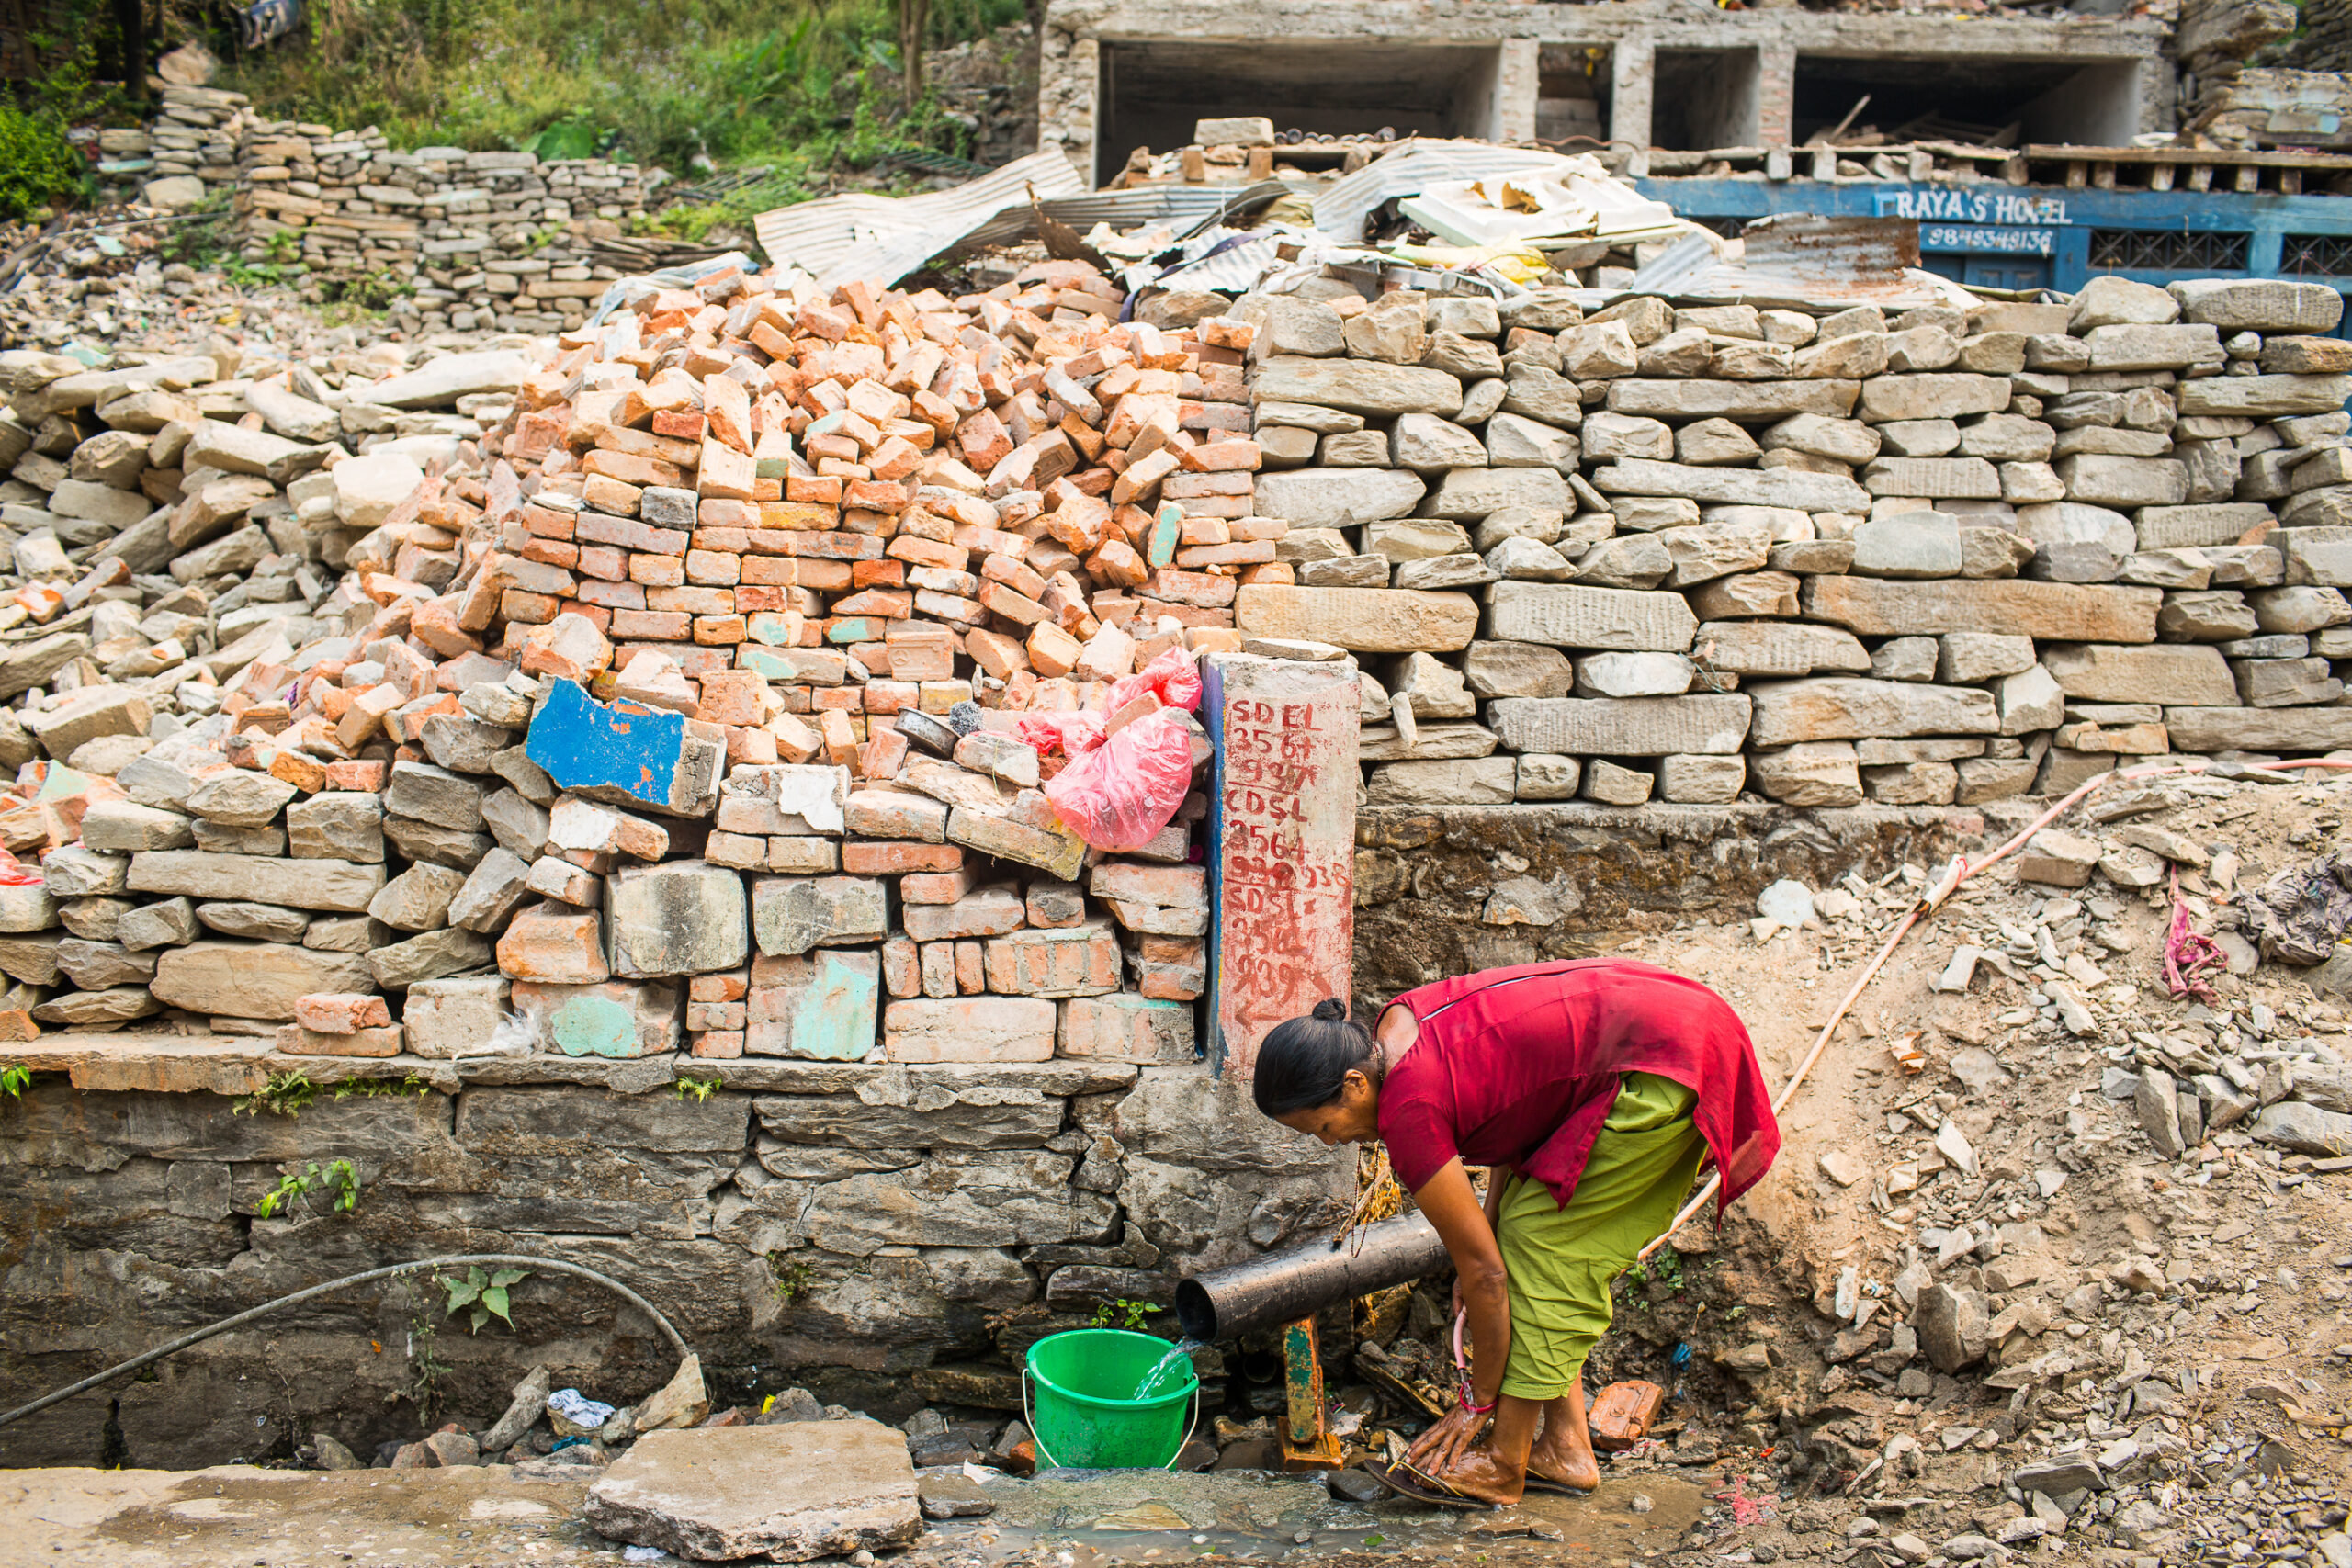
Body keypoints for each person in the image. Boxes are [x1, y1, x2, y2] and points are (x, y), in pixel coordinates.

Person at [1252, 958, 1780, 1507]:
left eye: (1324, 1128)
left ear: (1354, 1085)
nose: (1331, 1145)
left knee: (1544, 1251)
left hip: (1664, 1062)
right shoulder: (1394, 1030)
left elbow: (1489, 1275)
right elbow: (1516, 1119)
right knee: (1521, 1238)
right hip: (1659, 1028)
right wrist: (1489, 1234)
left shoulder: (1408, 1110)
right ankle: (1567, 1448)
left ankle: (1505, 1463)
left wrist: (1477, 1402)